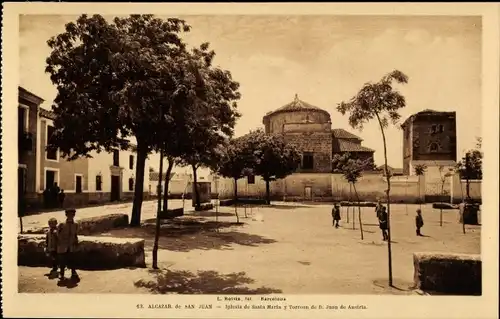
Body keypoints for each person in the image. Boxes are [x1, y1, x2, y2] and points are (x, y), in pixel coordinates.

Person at [57, 209, 79, 280]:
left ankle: (73, 272)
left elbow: (75, 234)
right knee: (62, 260)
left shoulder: (75, 224)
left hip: (71, 245)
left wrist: (76, 242)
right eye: (69, 214)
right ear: (66, 215)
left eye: (72, 214)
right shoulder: (61, 224)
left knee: (72, 259)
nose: (71, 216)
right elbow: (57, 234)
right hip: (63, 245)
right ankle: (61, 273)